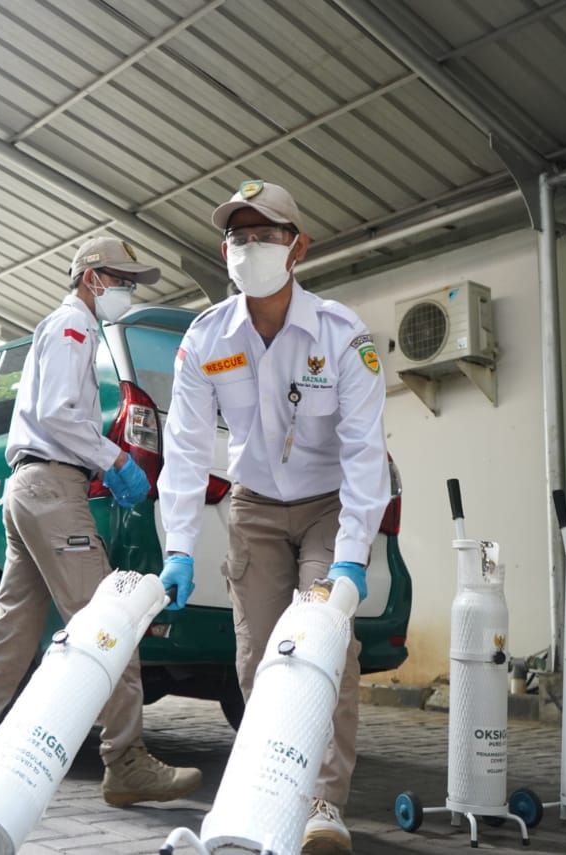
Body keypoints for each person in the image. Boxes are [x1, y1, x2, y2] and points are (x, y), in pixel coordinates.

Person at [0, 236, 202, 808]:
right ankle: (126, 760)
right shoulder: (74, 326)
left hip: (31, 488)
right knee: (109, 620)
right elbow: (58, 415)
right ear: (92, 278)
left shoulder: (69, 328)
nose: (127, 291)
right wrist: (115, 459)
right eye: (121, 280)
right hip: (52, 488)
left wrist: (99, 462)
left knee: (9, 630)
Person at [157, 180, 390, 855]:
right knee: (259, 656)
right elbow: (185, 447)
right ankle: (271, 793)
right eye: (239, 236)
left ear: (298, 247)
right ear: (224, 250)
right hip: (254, 505)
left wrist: (351, 556)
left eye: (266, 235)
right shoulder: (206, 337)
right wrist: (178, 547)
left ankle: (323, 804)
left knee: (324, 645)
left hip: (327, 506)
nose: (250, 247)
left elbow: (365, 450)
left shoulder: (341, 335)